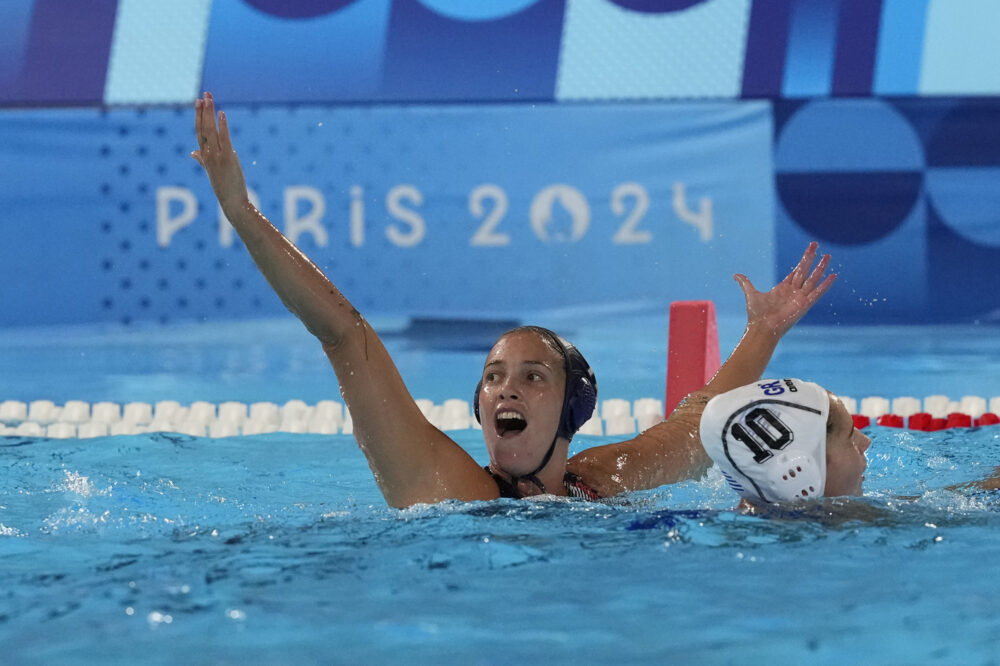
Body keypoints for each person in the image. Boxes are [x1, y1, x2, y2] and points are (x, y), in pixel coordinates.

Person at [191, 91, 836, 508]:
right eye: (495, 377)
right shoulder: (446, 486)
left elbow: (698, 424)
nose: (507, 391)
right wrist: (244, 215)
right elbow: (344, 334)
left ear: (571, 406)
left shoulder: (601, 481)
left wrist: (762, 333)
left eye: (533, 377)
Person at [700, 378, 1000, 513]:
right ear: (801, 473)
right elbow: (932, 514)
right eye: (850, 437)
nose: (866, 442)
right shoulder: (835, 523)